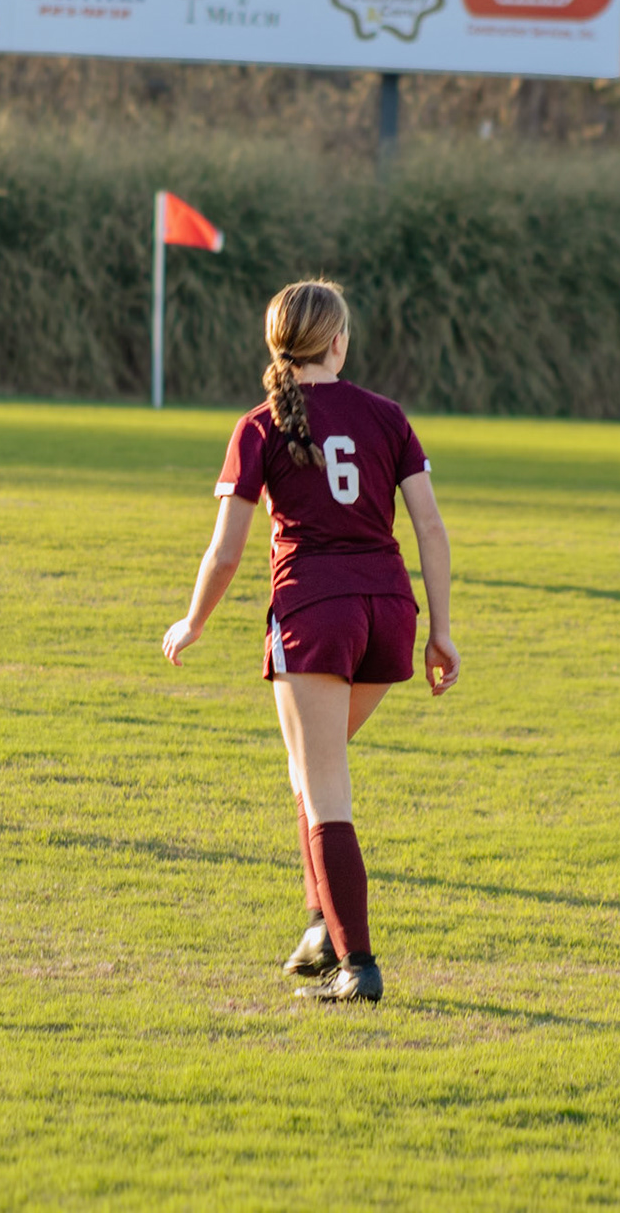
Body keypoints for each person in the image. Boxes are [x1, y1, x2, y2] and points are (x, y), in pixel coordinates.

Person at [161, 280, 460, 1004]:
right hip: (391, 611)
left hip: (316, 615)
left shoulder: (258, 425)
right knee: (311, 771)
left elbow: (226, 551)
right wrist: (443, 632)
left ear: (276, 347)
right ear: (337, 343)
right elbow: (428, 527)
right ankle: (321, 930)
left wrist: (193, 621)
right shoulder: (387, 416)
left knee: (323, 785)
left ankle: (357, 964)